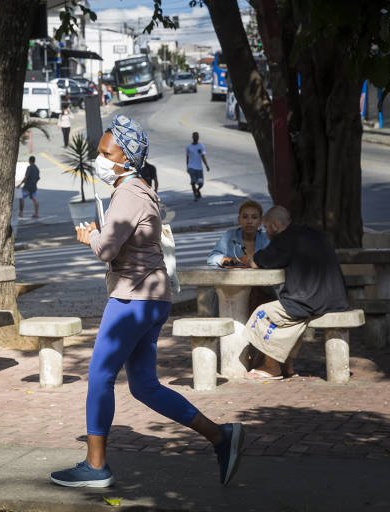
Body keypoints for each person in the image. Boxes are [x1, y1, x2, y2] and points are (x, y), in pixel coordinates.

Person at [49, 114, 244, 489]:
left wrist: (88, 235)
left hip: (132, 299)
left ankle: (96, 466)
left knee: (99, 376)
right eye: (99, 151)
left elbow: (106, 249)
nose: (100, 159)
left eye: (107, 152)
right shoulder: (141, 189)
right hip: (153, 297)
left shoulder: (126, 194)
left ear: (127, 156)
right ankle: (221, 436)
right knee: (143, 385)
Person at [244, 206, 349, 380]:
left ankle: (271, 367)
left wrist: (249, 259)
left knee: (264, 314)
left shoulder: (284, 239)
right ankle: (287, 364)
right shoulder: (314, 233)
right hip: (336, 299)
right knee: (293, 320)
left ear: (275, 225)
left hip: (307, 300)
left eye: (266, 228)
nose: (267, 232)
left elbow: (259, 261)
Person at [207, 200, 269, 268]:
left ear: (260, 221)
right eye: (245, 217)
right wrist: (232, 261)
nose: (249, 221)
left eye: (254, 217)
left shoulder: (266, 239)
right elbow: (211, 258)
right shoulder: (229, 236)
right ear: (239, 220)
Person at [186, 131, 210, 201]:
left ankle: (198, 190)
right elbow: (187, 157)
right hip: (191, 167)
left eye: (197, 136)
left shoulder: (201, 146)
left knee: (201, 183)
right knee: (193, 182)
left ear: (198, 137)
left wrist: (206, 165)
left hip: (199, 168)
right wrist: (187, 166)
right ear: (192, 137)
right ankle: (195, 196)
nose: (196, 138)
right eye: (195, 136)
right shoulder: (188, 147)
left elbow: (203, 156)